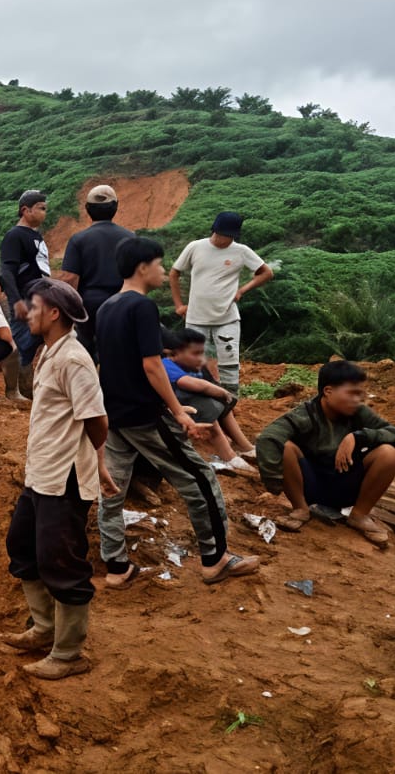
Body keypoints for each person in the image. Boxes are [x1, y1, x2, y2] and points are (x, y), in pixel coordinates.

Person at [95, 237, 261, 587]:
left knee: (113, 488)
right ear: (142, 267)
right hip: (143, 414)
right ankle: (216, 559)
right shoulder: (141, 308)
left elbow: (107, 364)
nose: (162, 271)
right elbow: (153, 366)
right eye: (158, 264)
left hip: (114, 415)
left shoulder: (107, 307)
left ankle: (116, 566)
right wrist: (178, 412)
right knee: (200, 478)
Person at [1, 279, 111, 680]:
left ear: (53, 313)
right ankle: (44, 629)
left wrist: (93, 461)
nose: (26, 313)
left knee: (61, 563)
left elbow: (97, 420)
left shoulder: (74, 360)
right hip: (41, 473)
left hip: (63, 479)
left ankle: (68, 654)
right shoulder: (50, 353)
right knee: (22, 548)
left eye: (33, 306)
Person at [254, 360, 395, 547]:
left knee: (389, 453)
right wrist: (272, 480)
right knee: (286, 446)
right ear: (328, 391)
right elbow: (268, 438)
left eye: (360, 394)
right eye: (352, 393)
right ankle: (301, 509)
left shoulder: (359, 413)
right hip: (310, 486)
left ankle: (359, 515)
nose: (358, 400)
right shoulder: (305, 414)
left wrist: (358, 437)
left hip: (346, 485)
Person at [168, 212, 274, 394]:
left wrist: (242, 290)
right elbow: (174, 273)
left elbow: (266, 272)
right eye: (222, 235)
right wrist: (179, 305)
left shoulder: (241, 251)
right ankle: (197, 398)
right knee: (193, 360)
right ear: (214, 231)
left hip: (227, 317)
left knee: (229, 360)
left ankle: (231, 399)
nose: (224, 240)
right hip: (196, 317)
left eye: (229, 236)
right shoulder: (195, 247)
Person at [163, 328, 255, 473]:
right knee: (210, 414)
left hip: (192, 402)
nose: (200, 358)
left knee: (222, 407)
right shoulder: (167, 364)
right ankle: (229, 456)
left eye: (201, 353)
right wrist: (221, 391)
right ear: (175, 352)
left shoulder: (189, 365)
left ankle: (245, 446)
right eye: (195, 353)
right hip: (178, 407)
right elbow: (188, 383)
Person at [58, 184, 133, 360]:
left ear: (87, 209)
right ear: (116, 206)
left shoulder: (79, 239)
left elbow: (70, 278)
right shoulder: (130, 238)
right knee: (119, 350)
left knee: (86, 350)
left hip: (89, 304)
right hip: (122, 301)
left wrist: (69, 311)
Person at [0, 189, 51, 395]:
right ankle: (16, 391)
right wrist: (16, 302)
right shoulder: (15, 236)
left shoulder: (36, 236)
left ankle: (33, 389)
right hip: (25, 298)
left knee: (41, 338)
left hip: (41, 297)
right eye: (41, 208)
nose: (44, 213)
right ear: (25, 210)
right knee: (21, 345)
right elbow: (7, 271)